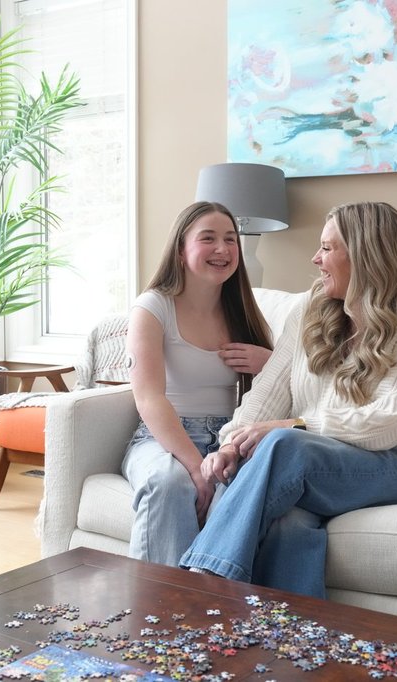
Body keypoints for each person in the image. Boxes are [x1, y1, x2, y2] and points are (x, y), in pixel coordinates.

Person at [179, 201, 397, 598]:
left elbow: (386, 424)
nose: (315, 258)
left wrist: (296, 426)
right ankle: (290, 646)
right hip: (316, 467)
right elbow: (268, 391)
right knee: (290, 524)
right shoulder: (310, 307)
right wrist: (232, 443)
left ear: (365, 255)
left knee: (286, 444)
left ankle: (204, 584)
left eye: (327, 248)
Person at [122, 200, 274, 566]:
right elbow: (149, 398)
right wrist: (194, 467)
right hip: (163, 438)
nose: (222, 249)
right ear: (180, 249)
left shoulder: (246, 314)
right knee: (169, 484)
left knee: (239, 495)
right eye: (208, 238)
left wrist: (268, 363)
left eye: (230, 239)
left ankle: (208, 609)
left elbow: (281, 395)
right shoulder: (153, 307)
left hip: (228, 440)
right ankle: (159, 609)